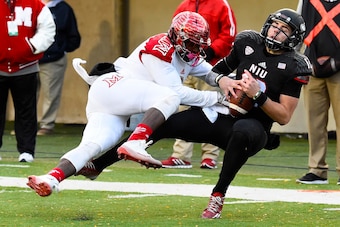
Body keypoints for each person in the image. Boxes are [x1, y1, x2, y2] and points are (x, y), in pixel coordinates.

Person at [74, 8, 312, 219]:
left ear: (293, 38)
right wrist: (226, 83)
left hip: (254, 127)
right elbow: (217, 72)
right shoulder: (247, 43)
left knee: (241, 131)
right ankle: (98, 165)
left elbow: (283, 116)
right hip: (222, 115)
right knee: (166, 123)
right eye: (275, 25)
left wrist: (257, 95)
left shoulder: (294, 64)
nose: (275, 32)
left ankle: (218, 196)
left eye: (283, 29)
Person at [26, 11, 231, 196]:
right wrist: (218, 98)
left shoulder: (187, 54)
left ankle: (51, 178)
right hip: (114, 87)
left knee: (91, 146)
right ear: (177, 37)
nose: (195, 49)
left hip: (114, 103)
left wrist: (227, 81)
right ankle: (136, 142)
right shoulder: (160, 47)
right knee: (171, 97)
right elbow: (176, 92)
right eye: (191, 44)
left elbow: (209, 73)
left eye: (199, 45)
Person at [162, 0, 237, 169]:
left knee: (212, 109)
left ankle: (210, 156)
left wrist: (210, 52)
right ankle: (180, 155)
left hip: (211, 68)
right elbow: (172, 33)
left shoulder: (221, 5)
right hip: (186, 66)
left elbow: (229, 36)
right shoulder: (184, 5)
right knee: (182, 107)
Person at [0, 0, 56, 162]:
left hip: (26, 67)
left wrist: (31, 46)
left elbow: (48, 29)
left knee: (26, 111)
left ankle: (26, 151)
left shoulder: (35, 4)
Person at [295, 0, 340, 185]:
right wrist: (296, 62)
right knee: (314, 122)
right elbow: (297, 28)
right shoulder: (306, 1)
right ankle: (317, 170)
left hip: (339, 68)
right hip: (312, 67)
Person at [37, 0, 81, 136]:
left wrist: (60, 49)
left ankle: (46, 125)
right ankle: (26, 126)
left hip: (54, 59)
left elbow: (73, 37)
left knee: (51, 94)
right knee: (27, 95)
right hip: (29, 58)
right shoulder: (30, 5)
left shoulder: (63, 8)